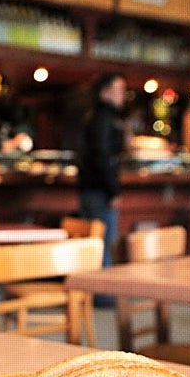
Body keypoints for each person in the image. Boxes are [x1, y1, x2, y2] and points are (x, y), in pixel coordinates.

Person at [77, 72, 127, 273]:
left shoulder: (94, 116)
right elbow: (101, 154)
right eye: (120, 90)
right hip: (100, 191)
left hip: (89, 189)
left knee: (93, 244)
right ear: (105, 92)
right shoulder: (104, 117)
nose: (123, 95)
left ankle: (95, 293)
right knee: (103, 244)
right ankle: (103, 294)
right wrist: (113, 190)